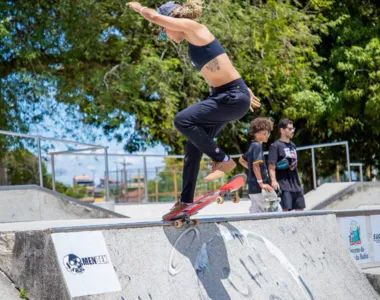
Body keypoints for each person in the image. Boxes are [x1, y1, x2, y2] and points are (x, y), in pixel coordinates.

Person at [127, 1, 261, 219]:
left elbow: (156, 17)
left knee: (182, 120)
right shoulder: (193, 41)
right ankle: (185, 201)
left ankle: (223, 159)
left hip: (231, 97)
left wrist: (138, 7)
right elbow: (224, 65)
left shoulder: (194, 28)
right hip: (227, 96)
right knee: (193, 146)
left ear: (173, 22)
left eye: (165, 32)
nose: (167, 36)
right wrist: (246, 89)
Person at [268, 119, 305, 211]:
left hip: (296, 185)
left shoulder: (293, 145)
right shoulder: (275, 146)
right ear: (282, 130)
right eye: (289, 129)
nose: (292, 131)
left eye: (293, 129)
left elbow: (294, 161)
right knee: (285, 212)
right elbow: (271, 165)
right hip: (284, 186)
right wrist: (273, 181)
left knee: (301, 211)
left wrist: (293, 164)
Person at [239, 117, 273, 213]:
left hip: (252, 188)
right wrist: (261, 183)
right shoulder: (257, 146)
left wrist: (253, 171)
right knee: (273, 211)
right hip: (259, 188)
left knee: (256, 214)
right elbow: (255, 166)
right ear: (257, 134)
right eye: (265, 133)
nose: (268, 136)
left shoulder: (252, 146)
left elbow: (241, 160)